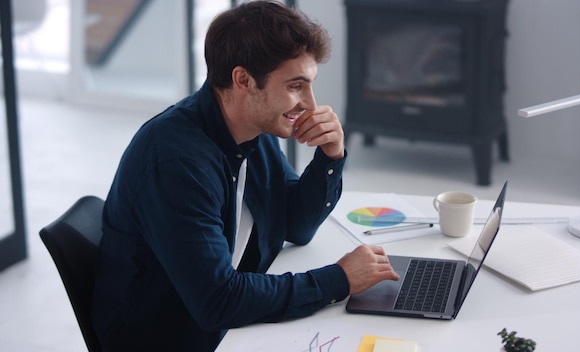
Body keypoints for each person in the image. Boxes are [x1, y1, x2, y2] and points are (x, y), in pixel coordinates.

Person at [91, 1, 399, 351]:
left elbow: (295, 227)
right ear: (244, 80)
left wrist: (331, 155)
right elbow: (218, 301)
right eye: (296, 86)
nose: (312, 105)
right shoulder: (176, 163)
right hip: (179, 337)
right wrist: (340, 279)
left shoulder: (253, 129)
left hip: (228, 322)